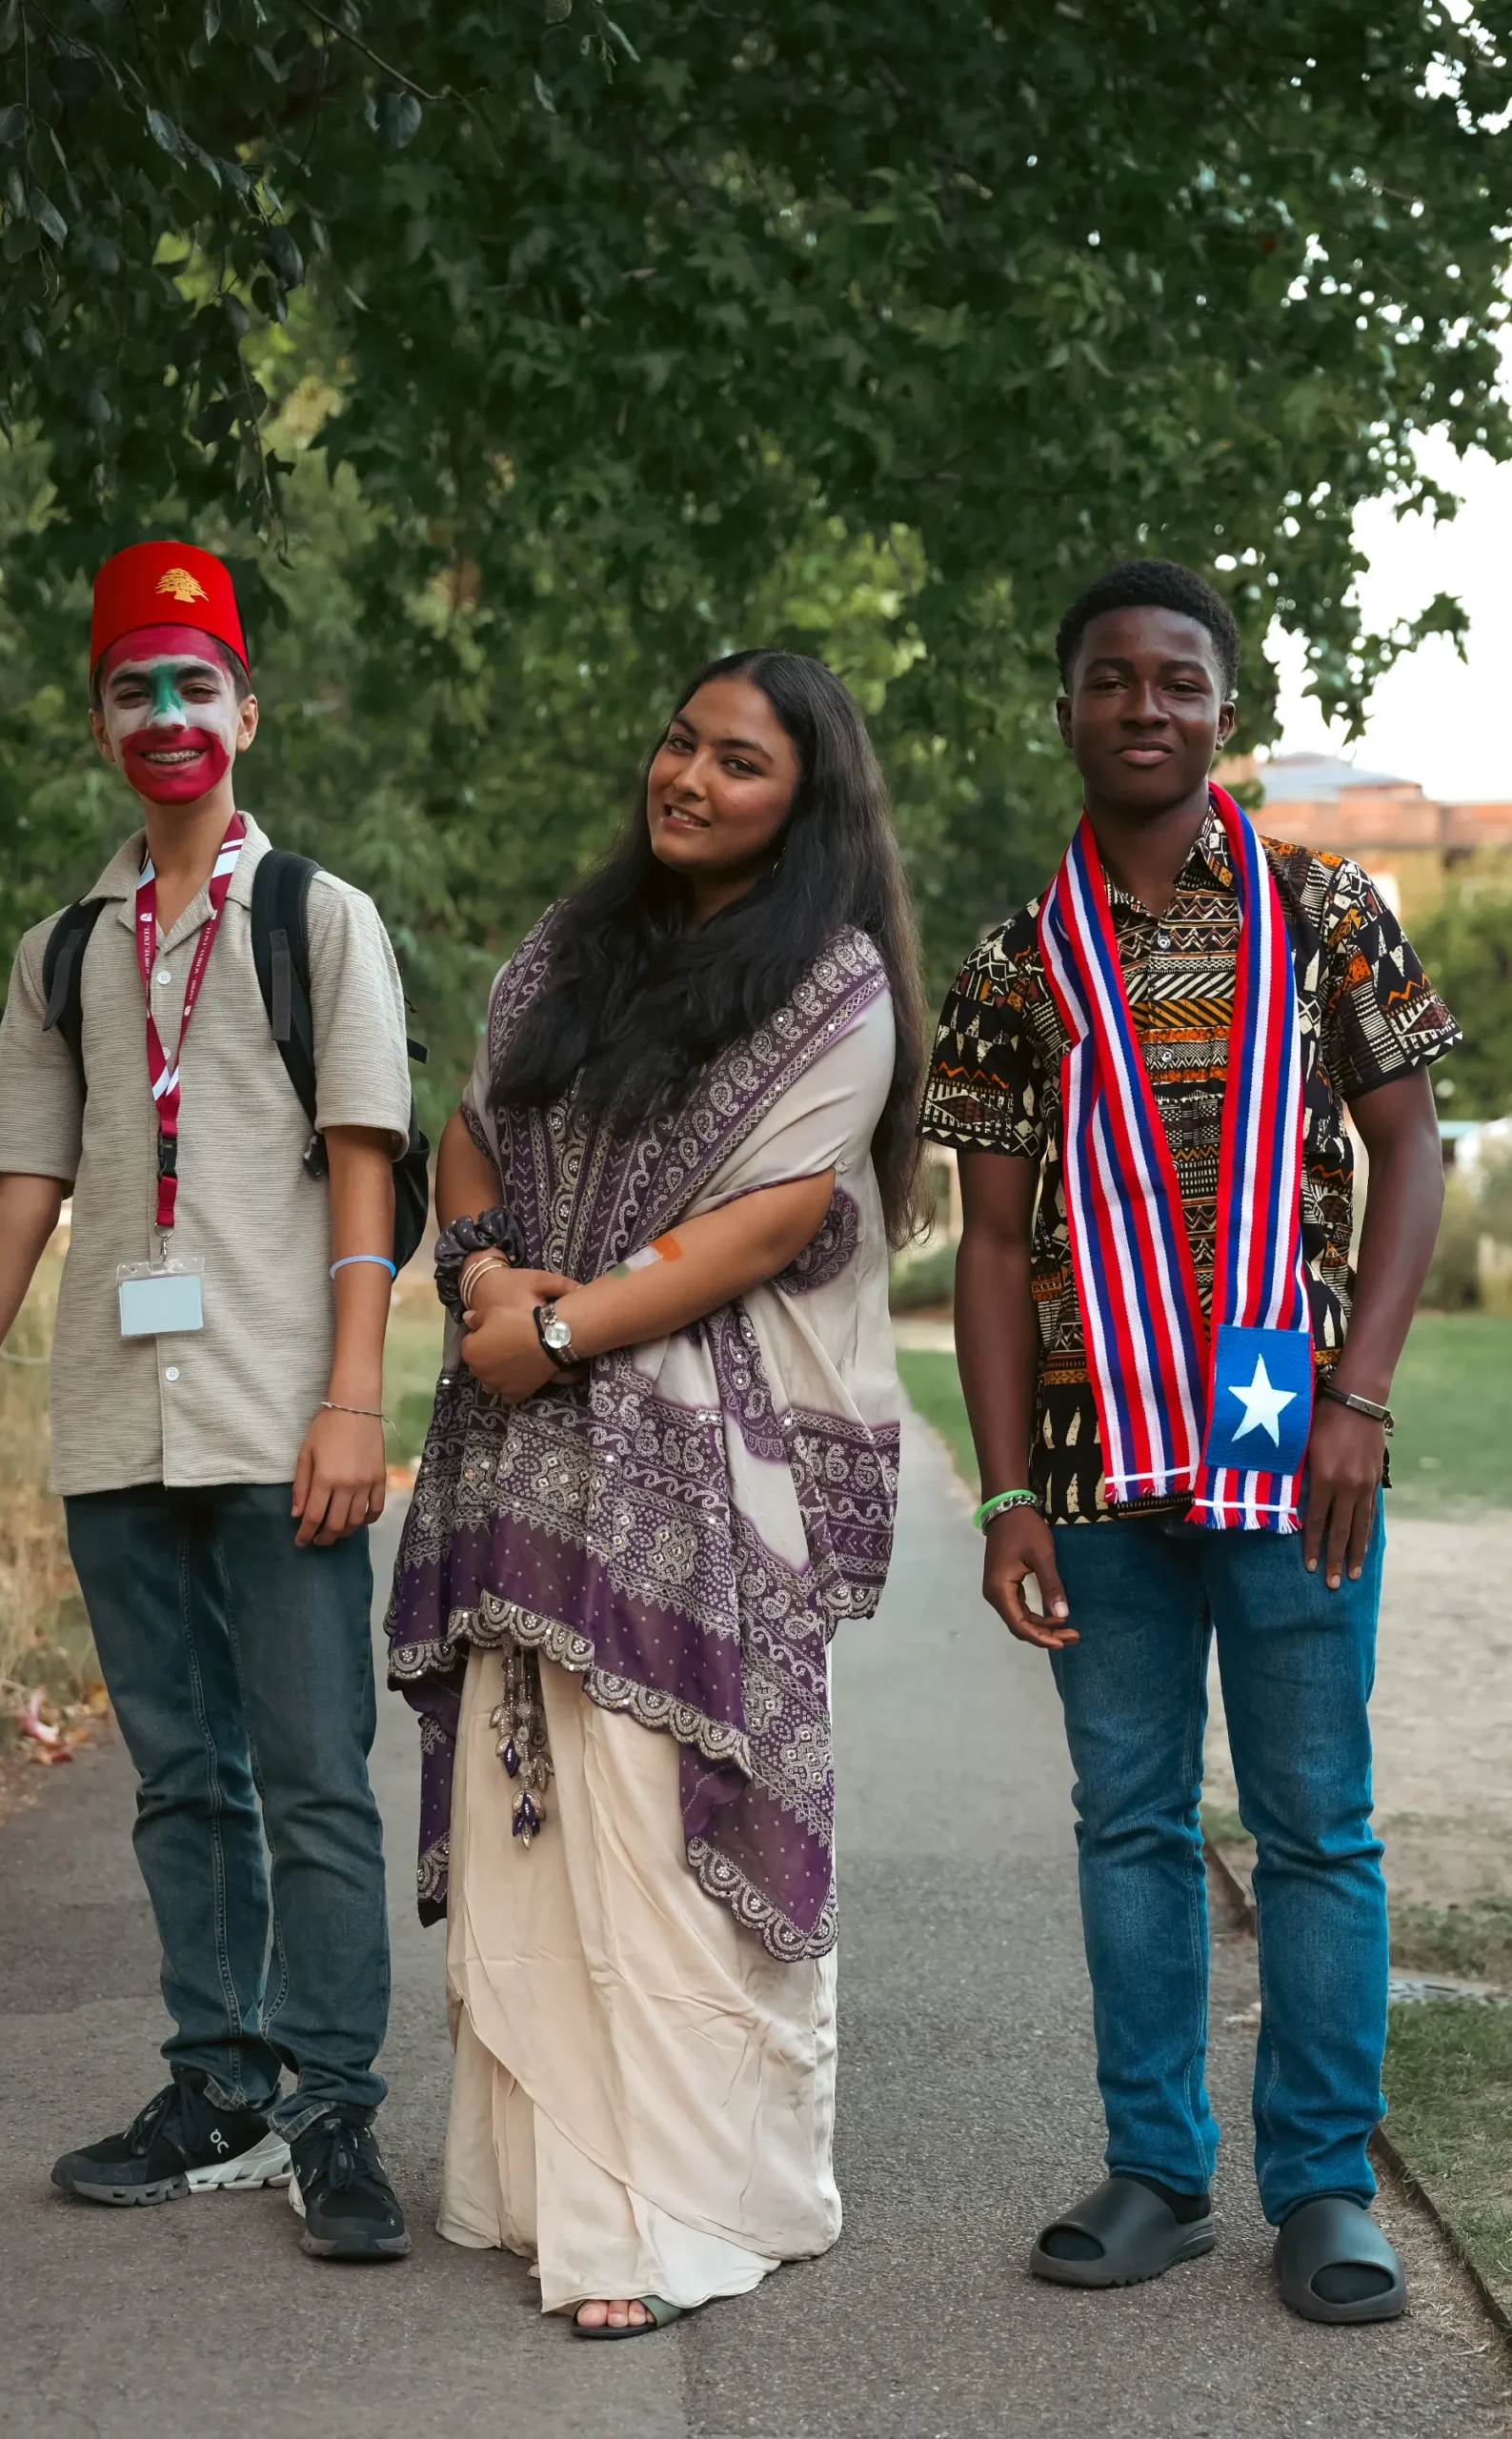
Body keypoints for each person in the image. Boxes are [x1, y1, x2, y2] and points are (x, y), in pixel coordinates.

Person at [921, 559, 1456, 2324]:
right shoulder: (1014, 959)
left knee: (1314, 1826)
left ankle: (1323, 2185)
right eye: (1108, 678)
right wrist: (1004, 1489)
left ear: (1225, 710)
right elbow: (989, 1243)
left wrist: (1357, 1397)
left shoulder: (1326, 908)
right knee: (1128, 1822)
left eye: (1176, 680)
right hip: (1090, 1473)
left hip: (1294, 1454)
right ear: (1064, 708)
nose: (1141, 705)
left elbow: (1408, 1150)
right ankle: (1155, 2167)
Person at [0, 541, 416, 2261]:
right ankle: (220, 2084)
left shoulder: (318, 920)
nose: (166, 714)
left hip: (279, 1417)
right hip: (120, 1426)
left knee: (312, 1778)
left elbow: (364, 1169)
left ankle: (334, 2106)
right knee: (182, 1780)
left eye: (196, 684)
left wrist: (354, 1400)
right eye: (134, 688)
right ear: (101, 722)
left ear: (246, 713)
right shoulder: (62, 953)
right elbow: (23, 1192)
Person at [388, 649, 922, 2334]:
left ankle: (672, 2218)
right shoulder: (570, 946)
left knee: (647, 1816)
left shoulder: (830, 988)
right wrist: (486, 1275)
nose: (688, 777)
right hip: (523, 1436)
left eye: (738, 762)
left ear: (805, 802)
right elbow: (469, 1131)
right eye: (680, 743)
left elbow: (770, 1221)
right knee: (533, 1799)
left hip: (699, 1450)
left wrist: (555, 1329)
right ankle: (547, 2189)